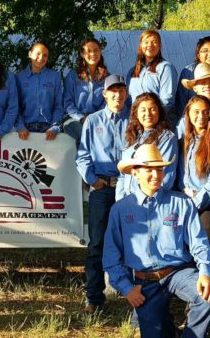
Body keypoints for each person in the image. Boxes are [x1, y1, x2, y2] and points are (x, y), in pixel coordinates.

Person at [103, 144, 210, 338]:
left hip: (179, 272)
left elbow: (198, 241)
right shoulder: (120, 210)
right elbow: (111, 256)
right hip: (144, 282)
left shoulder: (182, 203)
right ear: (135, 173)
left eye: (159, 168)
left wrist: (205, 272)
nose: (156, 174)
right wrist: (127, 289)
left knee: (208, 295)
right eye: (148, 169)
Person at [76, 74, 130, 312]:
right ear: (105, 94)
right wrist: (93, 180)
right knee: (96, 243)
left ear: (126, 94)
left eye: (121, 90)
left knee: (131, 242)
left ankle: (132, 295)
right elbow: (83, 154)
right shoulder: (93, 121)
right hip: (102, 188)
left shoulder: (134, 120)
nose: (118, 95)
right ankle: (94, 297)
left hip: (129, 189)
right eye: (113, 91)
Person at [116, 93, 177, 201]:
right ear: (136, 113)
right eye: (143, 110)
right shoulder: (132, 137)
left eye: (152, 109)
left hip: (150, 200)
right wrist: (121, 201)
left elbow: (166, 177)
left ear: (159, 111)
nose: (148, 114)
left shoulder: (166, 138)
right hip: (128, 201)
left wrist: (144, 199)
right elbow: (123, 175)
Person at [126, 30, 178, 127]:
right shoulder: (132, 72)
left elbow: (167, 100)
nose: (150, 45)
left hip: (159, 125)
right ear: (141, 45)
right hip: (137, 125)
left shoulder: (165, 68)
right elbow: (129, 100)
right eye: (146, 42)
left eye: (154, 42)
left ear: (159, 46)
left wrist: (150, 119)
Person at [63, 38, 109, 146]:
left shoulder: (107, 77)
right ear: (83, 54)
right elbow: (67, 103)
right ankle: (83, 162)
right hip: (74, 119)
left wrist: (95, 118)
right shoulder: (73, 76)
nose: (93, 53)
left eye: (96, 50)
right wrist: (82, 118)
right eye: (88, 51)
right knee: (85, 132)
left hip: (98, 119)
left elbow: (107, 102)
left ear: (100, 52)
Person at [178, 95, 210, 238]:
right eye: (196, 111)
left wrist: (195, 202)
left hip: (204, 204)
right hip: (183, 200)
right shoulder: (184, 141)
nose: (201, 116)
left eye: (205, 112)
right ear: (188, 114)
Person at [16, 42, 63, 140]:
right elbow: (15, 106)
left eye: (45, 55)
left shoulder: (55, 77)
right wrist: (20, 127)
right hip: (25, 130)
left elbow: (58, 105)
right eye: (38, 53)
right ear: (30, 54)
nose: (41, 58)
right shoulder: (19, 78)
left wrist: (54, 127)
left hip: (48, 130)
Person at [176, 36, 210, 118]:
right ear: (198, 54)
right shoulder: (188, 72)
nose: (209, 54)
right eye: (205, 51)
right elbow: (181, 103)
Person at [176, 62, 210, 139]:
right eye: (203, 82)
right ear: (195, 88)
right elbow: (178, 140)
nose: (208, 85)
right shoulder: (188, 115)